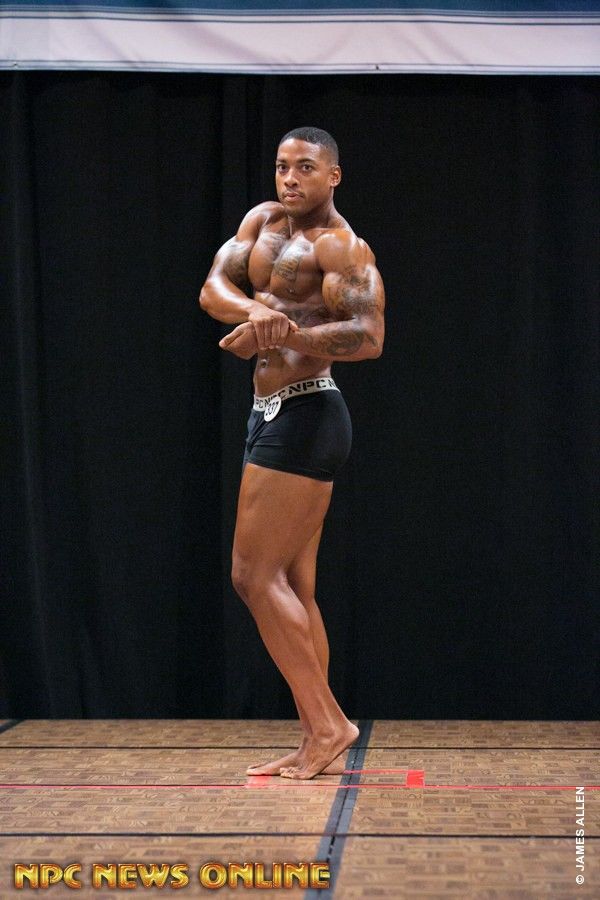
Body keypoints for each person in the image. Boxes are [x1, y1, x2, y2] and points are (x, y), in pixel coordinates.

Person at [199, 126, 385, 779]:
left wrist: (290, 331)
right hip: (269, 413)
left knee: (252, 576)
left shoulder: (341, 246)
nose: (289, 178)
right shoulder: (262, 222)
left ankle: (331, 724)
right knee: (295, 587)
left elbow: (369, 335)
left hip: (308, 413)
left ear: (333, 175)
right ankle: (314, 737)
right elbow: (213, 289)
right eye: (282, 166)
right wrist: (257, 314)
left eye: (305, 167)